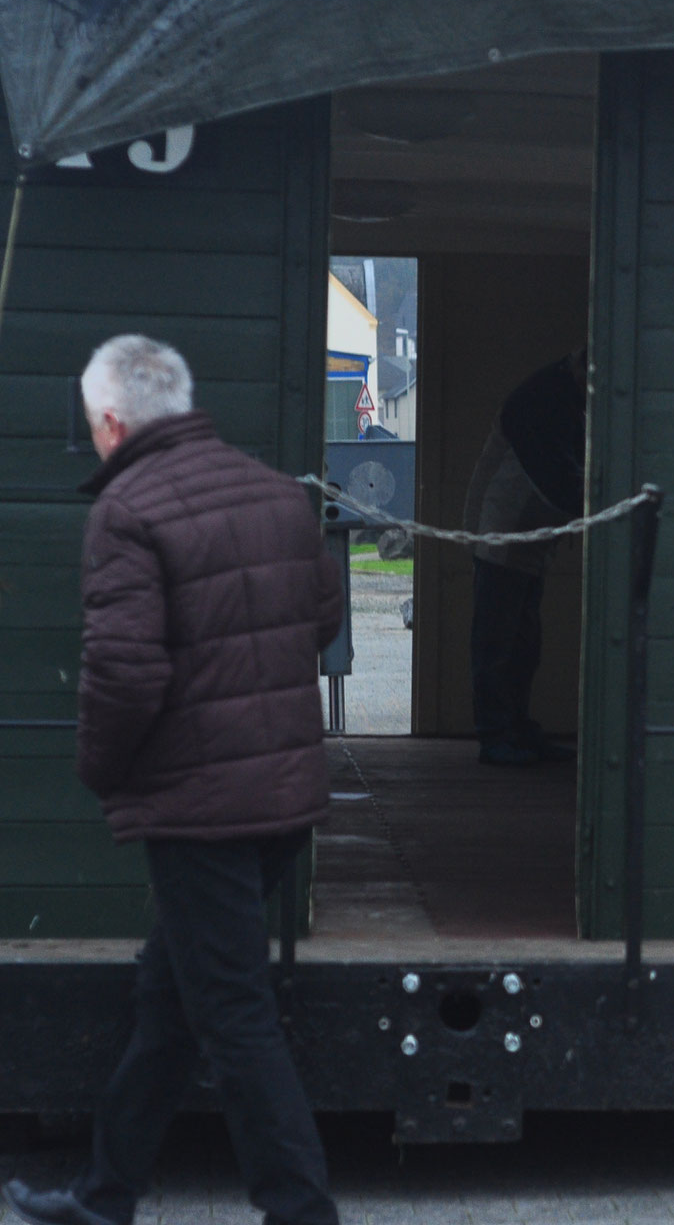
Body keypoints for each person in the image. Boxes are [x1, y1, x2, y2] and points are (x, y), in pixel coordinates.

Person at [5, 336, 342, 1225]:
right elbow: (323, 616)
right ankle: (105, 1194)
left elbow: (124, 673)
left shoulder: (128, 511)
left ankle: (302, 1212)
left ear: (111, 423)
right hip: (282, 799)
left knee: (231, 1017)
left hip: (201, 811)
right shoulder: (276, 493)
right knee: (172, 993)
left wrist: (99, 771)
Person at [463, 349, 587, 766]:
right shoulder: (546, 400)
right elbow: (556, 474)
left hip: (525, 539)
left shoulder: (565, 393)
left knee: (523, 643)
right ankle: (496, 735)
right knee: (497, 641)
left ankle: (515, 729)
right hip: (502, 534)